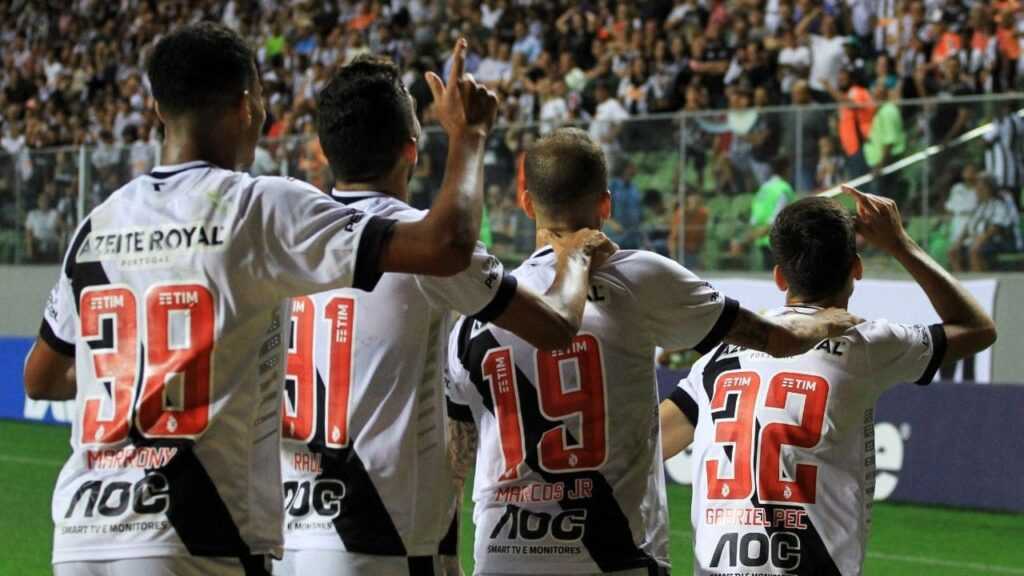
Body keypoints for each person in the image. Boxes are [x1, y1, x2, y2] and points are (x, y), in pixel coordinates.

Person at [22, 25, 503, 576]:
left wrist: (148, 370)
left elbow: (41, 377)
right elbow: (444, 245)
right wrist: (467, 139)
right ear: (248, 105)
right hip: (194, 535)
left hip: (82, 533)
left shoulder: (96, 224)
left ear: (157, 107)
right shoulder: (254, 206)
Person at [444, 128, 858, 576]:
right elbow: (775, 339)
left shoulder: (478, 314)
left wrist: (445, 553)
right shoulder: (643, 279)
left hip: (503, 558)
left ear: (526, 204)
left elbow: (453, 458)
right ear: (606, 204)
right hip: (618, 558)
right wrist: (826, 320)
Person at [273, 56, 612, 576]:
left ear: (324, 151)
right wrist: (578, 256)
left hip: (289, 532)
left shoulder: (286, 237)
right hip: (378, 536)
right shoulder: (425, 247)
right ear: (413, 150)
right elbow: (556, 326)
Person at [660, 187, 997, 575]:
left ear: (779, 277)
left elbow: (649, 444)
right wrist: (900, 244)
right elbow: (977, 328)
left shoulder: (718, 360)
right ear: (856, 269)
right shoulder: (866, 344)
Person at [730, 155, 796, 268]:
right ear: (786, 169)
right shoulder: (784, 189)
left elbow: (754, 218)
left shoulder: (763, 188)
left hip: (762, 241)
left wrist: (748, 237)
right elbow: (777, 219)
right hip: (777, 242)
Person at [949, 171, 1016, 272]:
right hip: (977, 240)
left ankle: (978, 281)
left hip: (995, 241)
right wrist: (958, 242)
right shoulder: (979, 207)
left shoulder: (998, 205)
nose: (977, 190)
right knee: (953, 251)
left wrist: (980, 240)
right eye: (977, 188)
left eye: (980, 188)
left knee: (975, 250)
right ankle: (960, 283)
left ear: (989, 189)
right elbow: (967, 228)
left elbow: (996, 227)